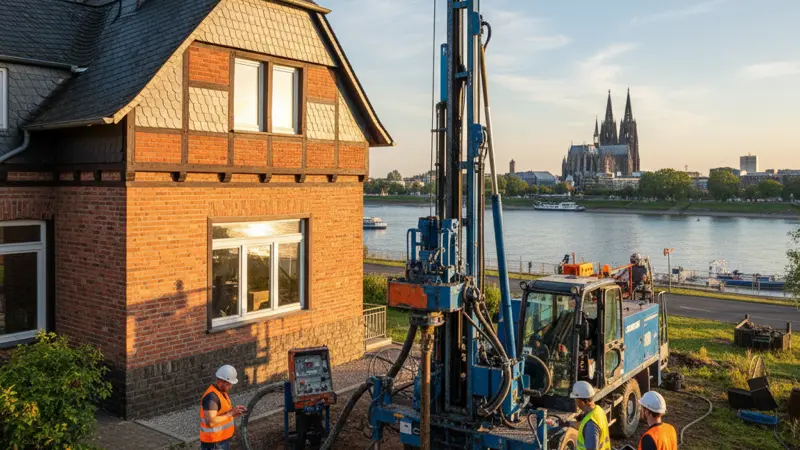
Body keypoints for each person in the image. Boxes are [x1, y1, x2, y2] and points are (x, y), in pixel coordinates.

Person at [200, 365, 247, 450]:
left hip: (220, 440)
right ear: (220, 381)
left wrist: (234, 411)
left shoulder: (221, 393)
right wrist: (230, 413)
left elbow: (222, 413)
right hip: (214, 443)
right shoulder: (211, 398)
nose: (230, 386)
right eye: (228, 384)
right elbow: (210, 422)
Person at [568, 381, 611, 450]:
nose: (575, 402)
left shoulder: (591, 425)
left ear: (581, 401)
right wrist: (568, 423)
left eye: (575, 399)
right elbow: (583, 426)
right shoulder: (598, 411)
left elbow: (589, 428)